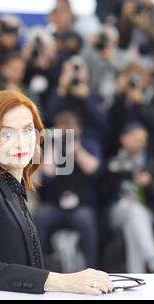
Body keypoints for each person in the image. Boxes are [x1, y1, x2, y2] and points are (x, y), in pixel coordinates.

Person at [0, 90, 113, 295]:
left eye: (28, 130)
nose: (20, 142)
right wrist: (66, 281)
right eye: (6, 133)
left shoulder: (10, 188)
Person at [34, 111, 102, 269]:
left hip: (81, 206)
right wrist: (54, 145)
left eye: (68, 129)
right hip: (55, 206)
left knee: (86, 220)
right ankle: (38, 265)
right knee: (41, 216)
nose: (65, 134)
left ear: (78, 129)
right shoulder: (52, 146)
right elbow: (47, 173)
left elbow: (93, 168)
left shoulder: (89, 144)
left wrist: (76, 149)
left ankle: (92, 268)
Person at [106, 123, 154, 273]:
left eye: (144, 139)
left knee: (133, 222)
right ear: (124, 139)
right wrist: (116, 175)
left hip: (145, 212)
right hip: (117, 210)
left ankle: (138, 275)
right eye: (137, 139)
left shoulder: (151, 163)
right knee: (132, 211)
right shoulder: (113, 162)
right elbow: (102, 192)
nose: (142, 143)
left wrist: (149, 183)